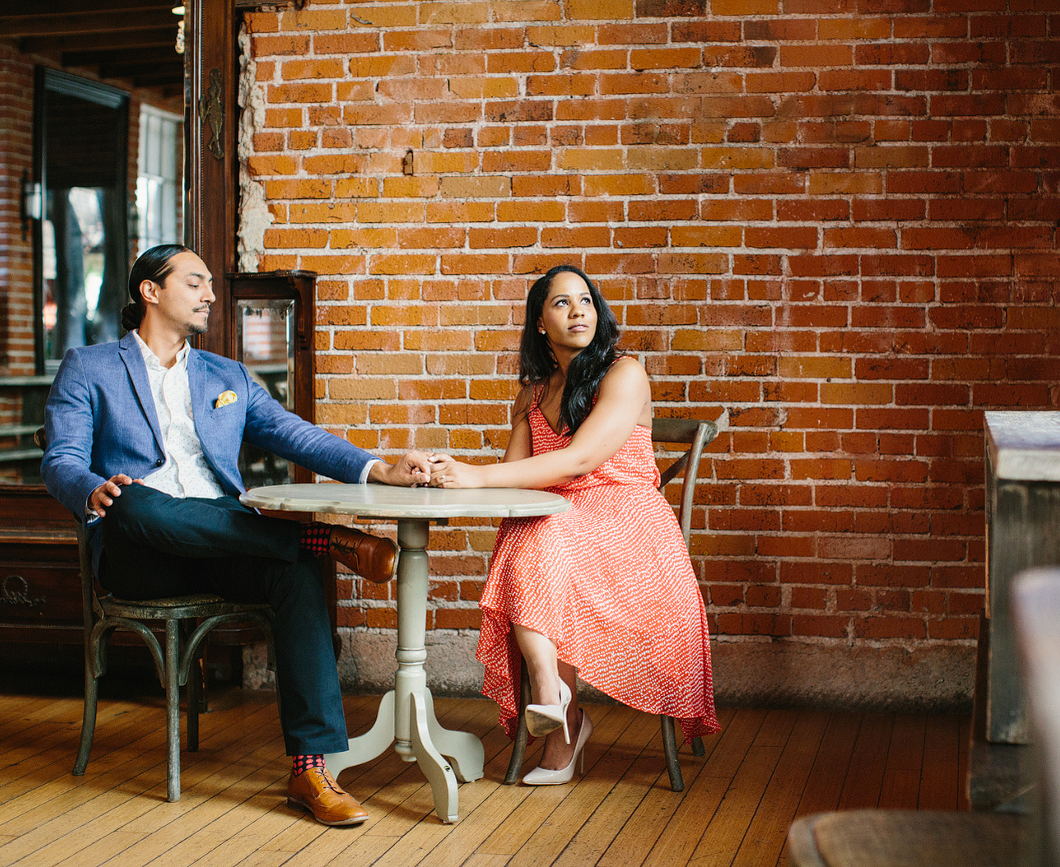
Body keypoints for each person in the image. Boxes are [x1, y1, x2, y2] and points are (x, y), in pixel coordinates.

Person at [41, 244, 430, 826]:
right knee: (137, 501)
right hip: (139, 549)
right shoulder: (90, 366)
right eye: (195, 282)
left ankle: (309, 769)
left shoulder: (226, 375)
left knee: (295, 575)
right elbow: (60, 460)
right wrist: (90, 487)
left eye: (210, 284)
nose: (210, 294)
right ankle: (321, 539)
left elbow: (292, 433)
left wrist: (377, 468)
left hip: (223, 542)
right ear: (150, 290)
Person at [426, 264, 719, 785]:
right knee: (530, 529)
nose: (578, 310)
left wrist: (474, 475)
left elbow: (581, 461)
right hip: (562, 523)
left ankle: (555, 707)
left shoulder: (624, 372)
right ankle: (554, 698)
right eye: (561, 303)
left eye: (584, 300)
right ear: (540, 323)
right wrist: (495, 440)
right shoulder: (536, 392)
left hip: (629, 520)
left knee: (540, 533)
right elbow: (519, 489)